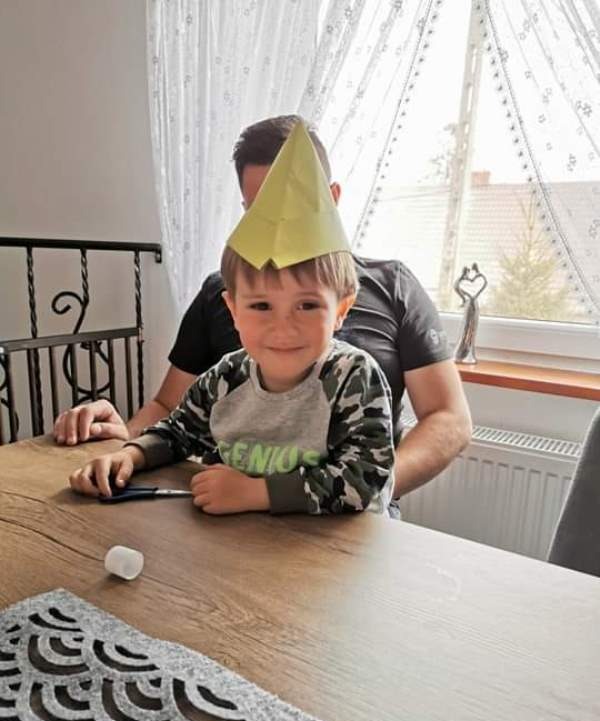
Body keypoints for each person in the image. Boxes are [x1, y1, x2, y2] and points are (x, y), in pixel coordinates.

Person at [57, 114, 471, 499]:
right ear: (235, 309)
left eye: (307, 305)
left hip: (340, 520)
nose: (282, 326)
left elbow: (440, 422)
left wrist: (297, 495)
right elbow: (175, 416)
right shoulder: (227, 352)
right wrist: (126, 444)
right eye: (260, 213)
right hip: (234, 518)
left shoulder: (378, 324)